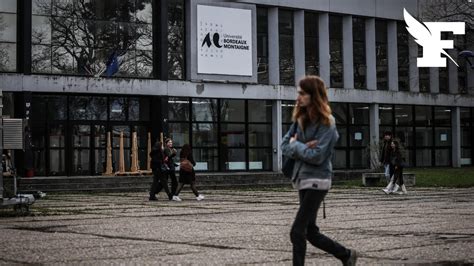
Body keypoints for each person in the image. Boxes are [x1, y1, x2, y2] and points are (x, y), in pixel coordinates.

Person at [281, 75, 357, 266]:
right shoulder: (301, 119)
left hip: (318, 180)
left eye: (302, 93)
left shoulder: (327, 123)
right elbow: (283, 145)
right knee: (310, 232)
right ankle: (346, 255)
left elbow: (318, 156)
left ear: (313, 95)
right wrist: (304, 145)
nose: (298, 97)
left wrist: (297, 145)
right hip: (302, 178)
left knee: (297, 231)